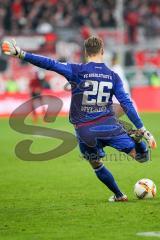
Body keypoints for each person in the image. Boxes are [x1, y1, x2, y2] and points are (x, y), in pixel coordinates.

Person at [1, 37, 156, 202]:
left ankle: (119, 195)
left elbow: (49, 63)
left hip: (85, 131)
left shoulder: (77, 70)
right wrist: (142, 128)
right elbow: (126, 103)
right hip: (109, 126)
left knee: (96, 164)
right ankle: (138, 140)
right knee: (142, 157)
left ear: (85, 52)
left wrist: (21, 54)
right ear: (102, 51)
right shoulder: (113, 76)